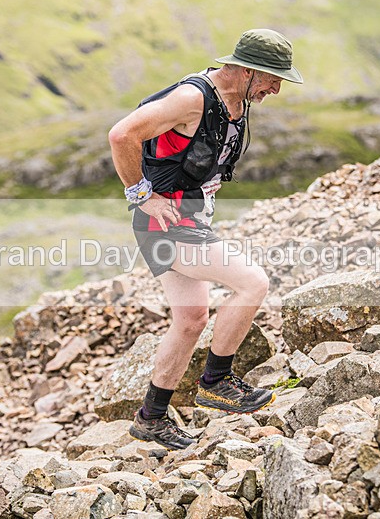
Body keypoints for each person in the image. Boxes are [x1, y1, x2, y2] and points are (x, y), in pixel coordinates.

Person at [108, 29, 303, 450]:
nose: (276, 88)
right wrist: (143, 197)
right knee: (253, 283)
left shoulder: (236, 101)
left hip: (189, 218)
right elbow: (122, 135)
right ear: (248, 70)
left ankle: (151, 418)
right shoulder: (192, 99)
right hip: (166, 223)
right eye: (272, 77)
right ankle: (216, 382)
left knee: (191, 319)